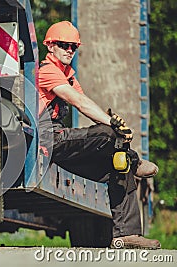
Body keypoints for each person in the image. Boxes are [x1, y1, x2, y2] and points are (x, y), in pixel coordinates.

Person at [38, 21, 161, 249]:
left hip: (61, 145)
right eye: (64, 45)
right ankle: (136, 161)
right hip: (47, 140)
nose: (69, 50)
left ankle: (127, 234)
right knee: (106, 133)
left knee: (117, 165)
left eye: (74, 47)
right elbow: (79, 102)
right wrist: (113, 124)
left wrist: (115, 128)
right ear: (50, 46)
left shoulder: (69, 76)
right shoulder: (46, 71)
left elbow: (90, 108)